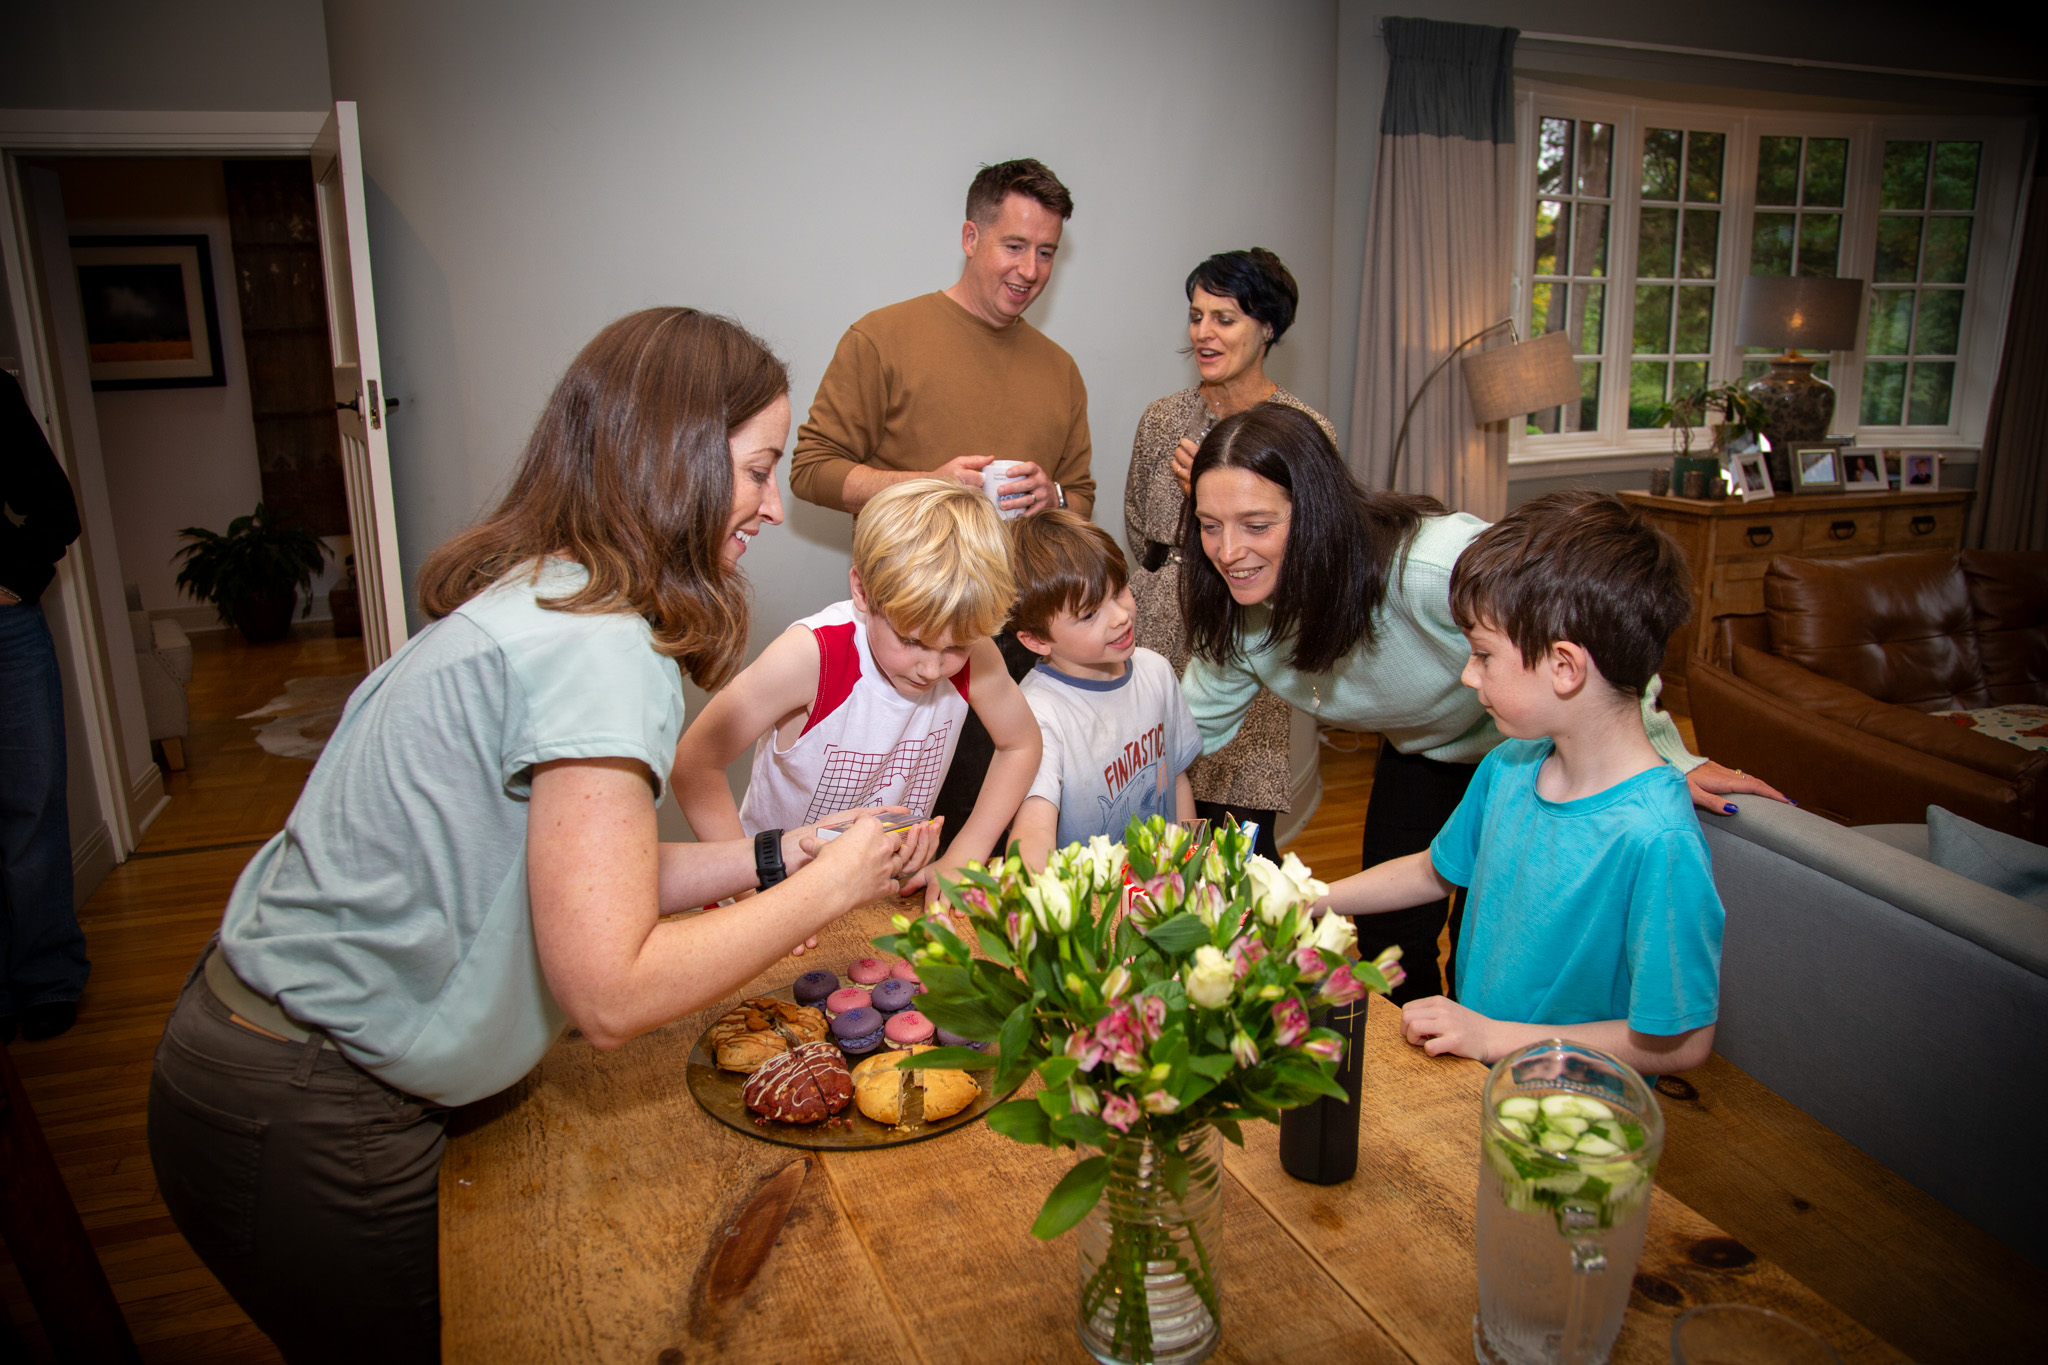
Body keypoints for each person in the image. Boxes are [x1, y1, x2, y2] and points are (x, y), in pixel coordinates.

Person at [146, 309, 936, 1365]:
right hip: (302, 1106)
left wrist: (774, 854)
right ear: (674, 460)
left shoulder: (561, 597)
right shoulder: (600, 651)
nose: (767, 505)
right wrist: (830, 885)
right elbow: (609, 991)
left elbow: (574, 879)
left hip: (274, 1068)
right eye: (754, 471)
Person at [1178, 404, 1781, 1004]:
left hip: (1530, 747)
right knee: (1391, 935)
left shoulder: (1435, 565)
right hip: (1431, 752)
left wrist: (1668, 756)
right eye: (1209, 525)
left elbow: (1599, 624)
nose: (1228, 551)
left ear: (1318, 516)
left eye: (1257, 525)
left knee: (1491, 930)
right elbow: (1184, 734)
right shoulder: (1240, 617)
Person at [1318, 491, 1722, 1077]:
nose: (1466, 673)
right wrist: (1314, 898)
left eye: (1483, 654)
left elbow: (1682, 1042)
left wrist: (1496, 1037)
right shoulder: (1511, 765)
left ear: (1564, 667)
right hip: (1483, 1074)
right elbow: (1435, 869)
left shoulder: (1657, 840)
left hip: (1572, 1119)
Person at [789, 158, 1093, 844]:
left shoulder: (1060, 370)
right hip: (911, 644)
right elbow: (810, 470)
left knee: (990, 840)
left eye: (1046, 252)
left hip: (1017, 643)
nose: (1030, 270)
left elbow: (1086, 503)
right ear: (970, 236)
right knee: (896, 839)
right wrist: (924, 482)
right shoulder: (883, 338)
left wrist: (1056, 496)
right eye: (1014, 246)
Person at [672, 478, 1041, 904]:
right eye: (912, 641)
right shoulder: (812, 657)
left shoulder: (975, 655)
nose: (932, 668)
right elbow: (696, 763)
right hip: (774, 890)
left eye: (954, 647)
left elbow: (1021, 744)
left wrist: (966, 852)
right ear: (863, 592)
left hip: (879, 887)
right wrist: (750, 892)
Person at [1125, 248, 1329, 861]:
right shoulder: (1162, 420)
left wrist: (1209, 499)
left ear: (1267, 327)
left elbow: (1311, 550)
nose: (1204, 334)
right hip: (1156, 629)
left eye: (1226, 318)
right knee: (1144, 827)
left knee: (1235, 854)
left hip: (1249, 634)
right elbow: (1139, 529)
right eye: (1197, 316)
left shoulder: (1301, 429)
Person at [1006, 510, 1199, 869]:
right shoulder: (1036, 711)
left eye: (1119, 590)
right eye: (1090, 613)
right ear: (1035, 639)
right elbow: (1033, 825)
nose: (1120, 615)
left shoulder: (1155, 670)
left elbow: (1176, 779)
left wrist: (1190, 863)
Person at [0, 371, 89, 1043]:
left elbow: (57, 510)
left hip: (7, 631)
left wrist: (13, 580)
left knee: (31, 802)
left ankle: (48, 978)